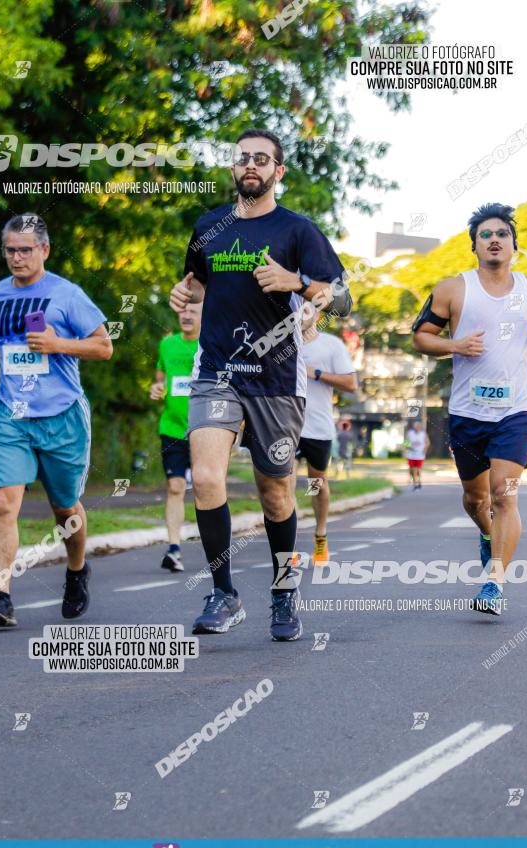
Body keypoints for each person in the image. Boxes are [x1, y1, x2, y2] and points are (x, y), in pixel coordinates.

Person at [169, 128, 352, 641]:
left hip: (276, 380)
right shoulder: (209, 227)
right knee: (205, 479)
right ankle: (224, 593)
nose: (251, 165)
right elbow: (195, 284)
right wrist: (182, 295)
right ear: (233, 169)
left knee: (276, 494)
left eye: (262, 159)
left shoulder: (299, 232)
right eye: (243, 158)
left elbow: (342, 301)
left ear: (279, 171)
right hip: (216, 374)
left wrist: (296, 282)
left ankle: (284, 591)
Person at [413, 202, 527, 616]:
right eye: (486, 235)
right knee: (475, 500)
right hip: (467, 411)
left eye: (502, 234)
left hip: (515, 411)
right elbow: (421, 337)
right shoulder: (452, 289)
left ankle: (494, 582)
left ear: (514, 244)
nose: (495, 240)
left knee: (505, 493)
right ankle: (486, 534)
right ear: (474, 246)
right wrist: (455, 345)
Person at [0, 214, 112, 628]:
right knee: (2, 503)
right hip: (10, 413)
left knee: (64, 507)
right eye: (10, 250)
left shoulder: (66, 295)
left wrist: (58, 344)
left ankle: (76, 571)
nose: (17, 258)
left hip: (61, 416)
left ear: (44, 250)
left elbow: (104, 347)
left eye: (25, 249)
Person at [291, 305, 357, 564]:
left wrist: (316, 373)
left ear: (317, 315)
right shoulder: (281, 345)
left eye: (307, 310)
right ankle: (290, 544)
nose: (301, 316)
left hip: (317, 427)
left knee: (315, 484)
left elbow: (351, 384)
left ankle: (320, 534)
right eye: (296, 311)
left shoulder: (331, 346)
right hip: (287, 427)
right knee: (284, 484)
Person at [150, 302, 202, 572]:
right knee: (175, 487)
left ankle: (217, 548)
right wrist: (157, 388)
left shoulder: (210, 344)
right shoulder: (167, 345)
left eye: (193, 311)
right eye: (183, 310)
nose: (186, 315)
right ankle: (174, 549)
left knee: (208, 488)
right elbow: (160, 378)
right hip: (172, 427)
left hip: (206, 428)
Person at [405, 421, 430, 490]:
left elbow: (427, 442)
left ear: (420, 427)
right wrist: (409, 447)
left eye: (418, 426)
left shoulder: (423, 434)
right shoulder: (410, 433)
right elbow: (406, 442)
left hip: (420, 455)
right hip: (411, 454)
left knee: (418, 469)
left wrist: (425, 450)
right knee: (412, 469)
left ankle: (418, 481)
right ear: (414, 427)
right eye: (416, 426)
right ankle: (414, 481)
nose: (417, 428)